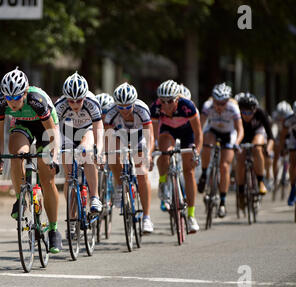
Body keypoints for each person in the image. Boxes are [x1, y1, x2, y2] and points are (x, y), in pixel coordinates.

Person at [0, 67, 63, 254]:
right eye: (8, 97)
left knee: (47, 178)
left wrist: (53, 158)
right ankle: (20, 199)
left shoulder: (36, 100)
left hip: (46, 129)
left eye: (16, 97)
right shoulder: (0, 103)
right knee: (16, 154)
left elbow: (52, 134)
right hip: (23, 126)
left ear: (25, 92)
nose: (12, 102)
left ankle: (54, 230)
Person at [55, 72, 104, 232]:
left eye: (79, 100)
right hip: (67, 132)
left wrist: (99, 149)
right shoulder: (60, 105)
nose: (75, 104)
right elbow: (54, 129)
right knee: (70, 176)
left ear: (84, 96)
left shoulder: (91, 102)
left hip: (86, 130)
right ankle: (72, 218)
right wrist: (56, 151)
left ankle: (94, 197)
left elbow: (98, 127)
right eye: (71, 101)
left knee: (87, 153)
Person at [151, 80, 202, 233]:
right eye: (163, 101)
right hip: (168, 131)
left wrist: (197, 151)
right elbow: (153, 133)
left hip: (188, 133)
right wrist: (153, 150)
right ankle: (163, 182)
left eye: (170, 101)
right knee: (164, 151)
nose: (166, 104)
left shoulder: (188, 106)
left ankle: (191, 216)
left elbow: (199, 134)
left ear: (177, 99)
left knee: (189, 171)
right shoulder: (155, 107)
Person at [104, 82, 155, 233]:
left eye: (127, 107)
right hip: (120, 135)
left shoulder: (142, 109)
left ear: (133, 103)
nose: (124, 110)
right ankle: (120, 184)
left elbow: (150, 135)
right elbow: (107, 137)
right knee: (112, 155)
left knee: (141, 173)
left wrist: (149, 154)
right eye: (121, 107)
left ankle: (146, 217)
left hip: (138, 136)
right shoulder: (111, 113)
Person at [198, 82, 244, 218]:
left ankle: (222, 202)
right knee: (206, 143)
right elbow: (200, 127)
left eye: (223, 103)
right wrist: (197, 142)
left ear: (227, 101)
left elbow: (240, 129)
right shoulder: (207, 106)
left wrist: (236, 143)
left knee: (224, 166)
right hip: (212, 131)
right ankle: (205, 173)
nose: (219, 106)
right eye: (217, 103)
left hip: (229, 134)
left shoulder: (233, 107)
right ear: (213, 99)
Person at [234, 92, 274, 211]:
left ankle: (261, 182)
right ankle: (241, 191)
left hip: (257, 134)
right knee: (240, 158)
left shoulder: (261, 114)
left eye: (249, 112)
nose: (246, 115)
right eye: (243, 112)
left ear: (255, 110)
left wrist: (267, 149)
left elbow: (271, 137)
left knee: (257, 148)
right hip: (242, 136)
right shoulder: (237, 116)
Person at [272, 101, 294, 191]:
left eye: (284, 117)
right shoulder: (275, 117)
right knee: (276, 155)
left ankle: (289, 173)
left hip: (290, 134)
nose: (282, 119)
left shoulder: (292, 118)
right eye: (280, 117)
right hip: (279, 134)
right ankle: (275, 177)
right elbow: (273, 129)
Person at [279, 102, 296, 206]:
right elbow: (283, 135)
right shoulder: (289, 120)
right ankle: (293, 187)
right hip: (294, 139)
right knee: (293, 161)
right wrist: (282, 148)